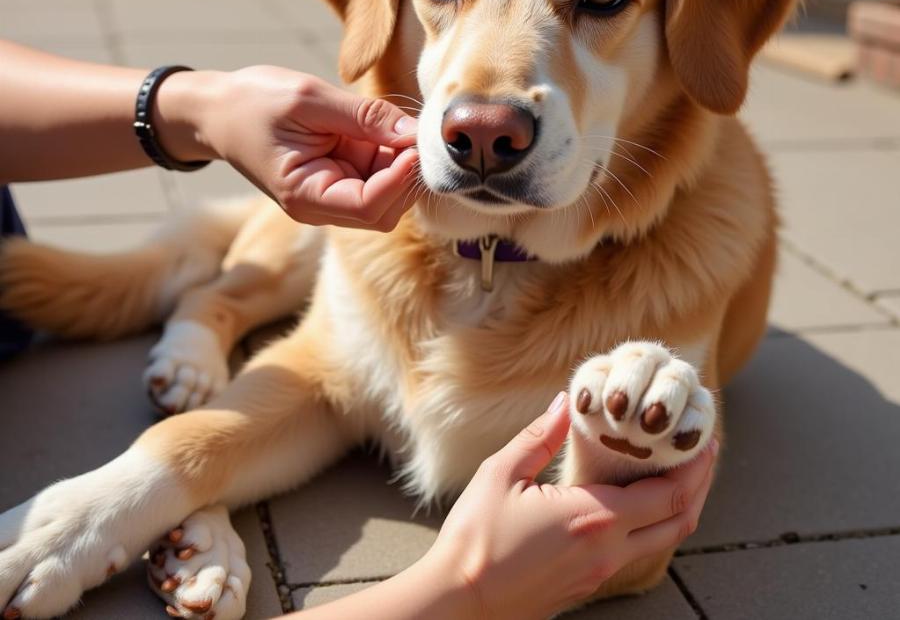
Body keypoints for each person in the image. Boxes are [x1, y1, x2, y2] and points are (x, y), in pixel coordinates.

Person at [0, 40, 717, 618]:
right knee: (286, 290)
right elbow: (315, 384)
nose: (488, 112)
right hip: (383, 222)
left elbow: (642, 545)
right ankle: (210, 312)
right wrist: (112, 503)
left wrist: (206, 107)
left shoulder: (702, 242)